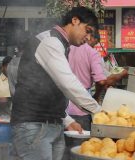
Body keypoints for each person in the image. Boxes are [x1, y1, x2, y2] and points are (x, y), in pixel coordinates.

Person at [10, 7, 101, 160]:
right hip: (35, 126)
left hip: (49, 125)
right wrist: (100, 113)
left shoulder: (61, 44)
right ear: (75, 21)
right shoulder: (50, 41)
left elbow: (48, 90)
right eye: (88, 30)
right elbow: (68, 83)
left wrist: (67, 120)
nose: (88, 37)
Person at [66, 30, 128, 130]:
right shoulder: (92, 53)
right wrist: (123, 73)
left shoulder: (68, 48)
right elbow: (102, 81)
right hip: (82, 108)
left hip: (64, 109)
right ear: (91, 37)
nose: (94, 46)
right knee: (81, 142)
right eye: (95, 43)